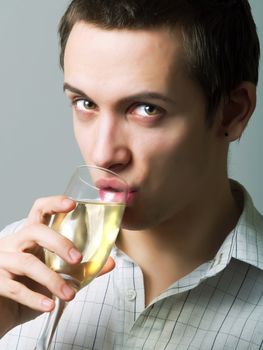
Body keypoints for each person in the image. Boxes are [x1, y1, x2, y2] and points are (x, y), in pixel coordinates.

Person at [0, 0, 262, 349]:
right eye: (85, 103)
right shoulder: (13, 267)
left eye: (146, 109)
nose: (104, 154)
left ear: (232, 113)